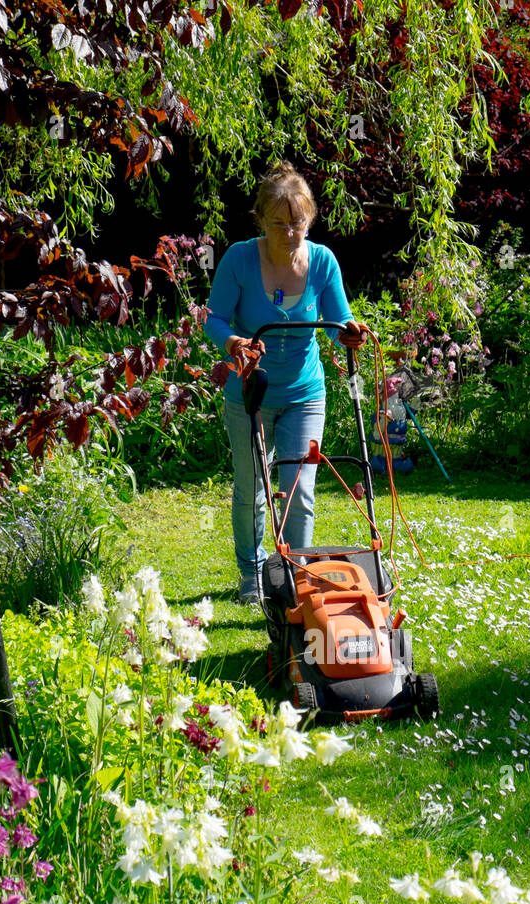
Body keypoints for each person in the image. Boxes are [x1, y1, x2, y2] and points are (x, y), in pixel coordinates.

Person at [204, 161, 369, 605]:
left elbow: (338, 321)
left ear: (309, 220)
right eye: (279, 225)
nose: (290, 233)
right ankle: (252, 575)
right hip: (250, 395)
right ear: (261, 221)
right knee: (252, 488)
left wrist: (350, 330)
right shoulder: (239, 258)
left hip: (304, 394)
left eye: (297, 223)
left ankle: (298, 575)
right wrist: (232, 340)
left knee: (301, 487)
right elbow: (214, 318)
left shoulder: (322, 262)